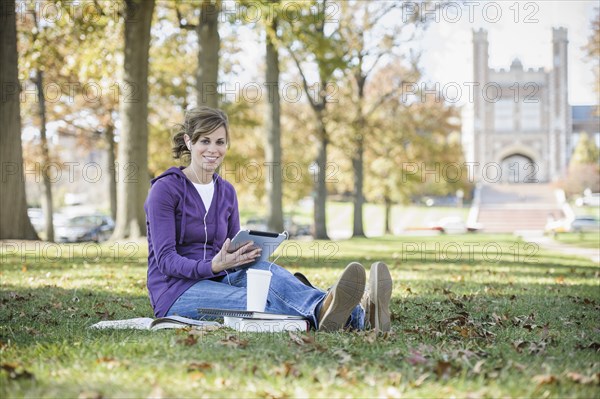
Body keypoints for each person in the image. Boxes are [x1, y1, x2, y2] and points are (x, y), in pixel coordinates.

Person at [144, 106, 393, 331]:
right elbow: (166, 260)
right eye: (205, 141)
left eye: (220, 142)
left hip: (221, 276)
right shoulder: (165, 190)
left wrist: (244, 254)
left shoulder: (226, 192)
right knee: (256, 302)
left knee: (267, 271)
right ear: (189, 142)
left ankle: (352, 313)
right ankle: (353, 314)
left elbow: (231, 245)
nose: (213, 149)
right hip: (177, 291)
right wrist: (212, 266)